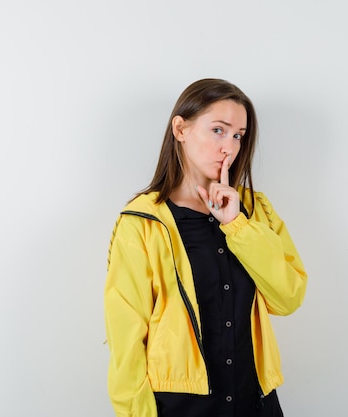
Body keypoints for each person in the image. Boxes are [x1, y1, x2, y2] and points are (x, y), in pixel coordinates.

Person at [104, 78, 307, 417]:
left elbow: (288, 298)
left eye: (238, 135)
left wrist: (235, 224)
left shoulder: (256, 211)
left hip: (254, 404)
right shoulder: (142, 223)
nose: (229, 146)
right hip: (181, 407)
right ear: (180, 129)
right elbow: (126, 340)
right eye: (218, 130)